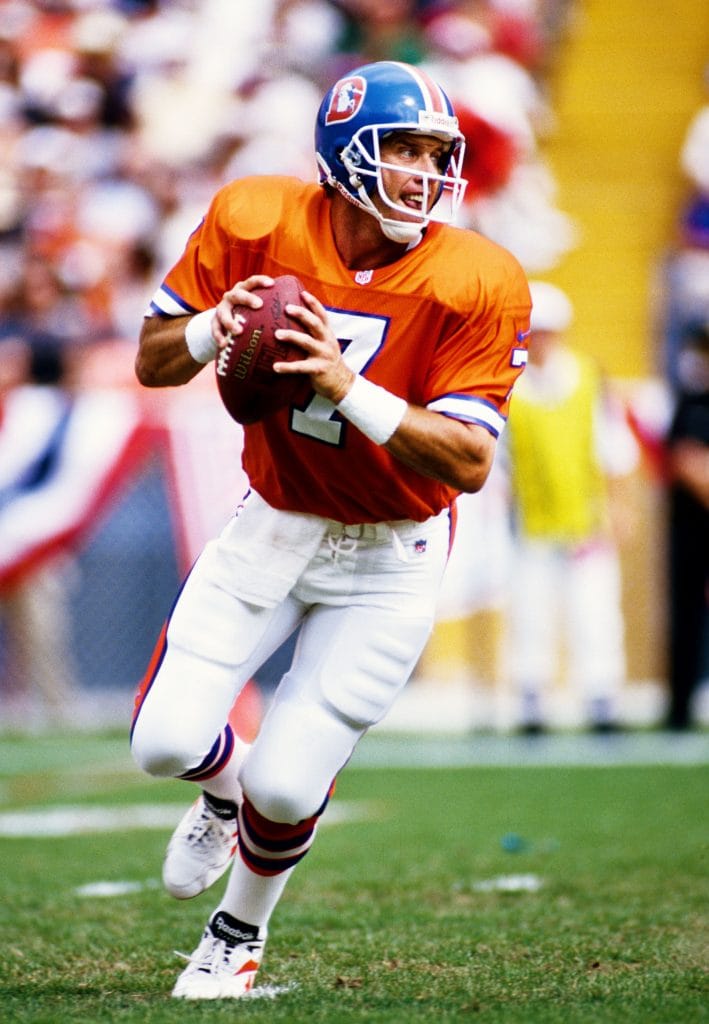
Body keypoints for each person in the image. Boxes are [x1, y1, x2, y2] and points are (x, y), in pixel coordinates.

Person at [130, 60, 531, 1000]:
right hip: (273, 522)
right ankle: (220, 791)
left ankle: (237, 933)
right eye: (404, 150)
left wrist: (346, 386)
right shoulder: (254, 219)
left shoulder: (478, 277)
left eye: (437, 154)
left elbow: (469, 460)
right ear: (346, 153)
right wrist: (214, 326)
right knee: (163, 742)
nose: (425, 174)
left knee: (287, 786)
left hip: (390, 552)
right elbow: (153, 361)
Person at [503, 280, 639, 733]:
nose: (541, 340)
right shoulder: (510, 387)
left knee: (595, 613)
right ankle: (531, 701)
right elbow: (499, 461)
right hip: (530, 523)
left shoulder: (588, 378)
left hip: (586, 523)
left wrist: (620, 508)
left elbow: (615, 450)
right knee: (530, 615)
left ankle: (602, 699)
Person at [664, 321, 709, 730]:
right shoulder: (693, 403)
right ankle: (681, 705)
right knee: (688, 616)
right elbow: (688, 462)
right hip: (693, 532)